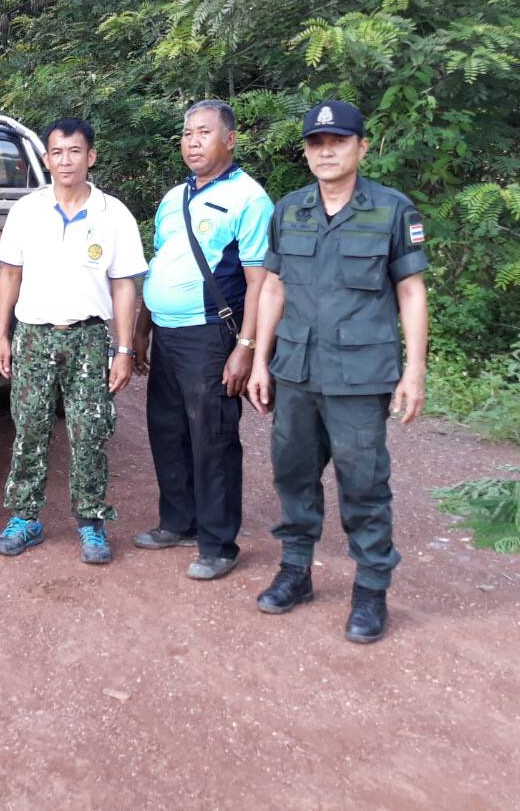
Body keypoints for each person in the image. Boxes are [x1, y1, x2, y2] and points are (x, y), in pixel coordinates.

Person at [245, 100, 428, 644]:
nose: (326, 152)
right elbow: (273, 288)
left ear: (361, 148)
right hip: (296, 372)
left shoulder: (392, 211)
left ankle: (370, 589)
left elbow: (411, 291)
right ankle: (295, 571)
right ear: (307, 152)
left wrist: (414, 371)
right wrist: (260, 361)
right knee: (292, 474)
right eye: (317, 144)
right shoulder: (289, 211)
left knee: (364, 482)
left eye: (338, 142)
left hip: (360, 375)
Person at [0, 118, 147, 564]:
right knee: (29, 428)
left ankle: (91, 521)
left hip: (89, 339)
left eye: (75, 151)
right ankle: (25, 518)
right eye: (57, 152)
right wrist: (3, 335)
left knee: (90, 430)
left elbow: (124, 284)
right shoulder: (27, 211)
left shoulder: (113, 214)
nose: (65, 160)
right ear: (46, 159)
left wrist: (123, 349)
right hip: (33, 336)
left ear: (90, 157)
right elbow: (10, 274)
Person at [132, 100, 273, 581]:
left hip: (212, 335)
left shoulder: (250, 199)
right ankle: (179, 523)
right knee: (167, 429)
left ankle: (218, 544)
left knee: (212, 439)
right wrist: (142, 329)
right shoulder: (173, 198)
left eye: (204, 133)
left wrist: (246, 349)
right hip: (167, 333)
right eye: (188, 133)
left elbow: (259, 283)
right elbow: (160, 264)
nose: (192, 142)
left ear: (229, 140)